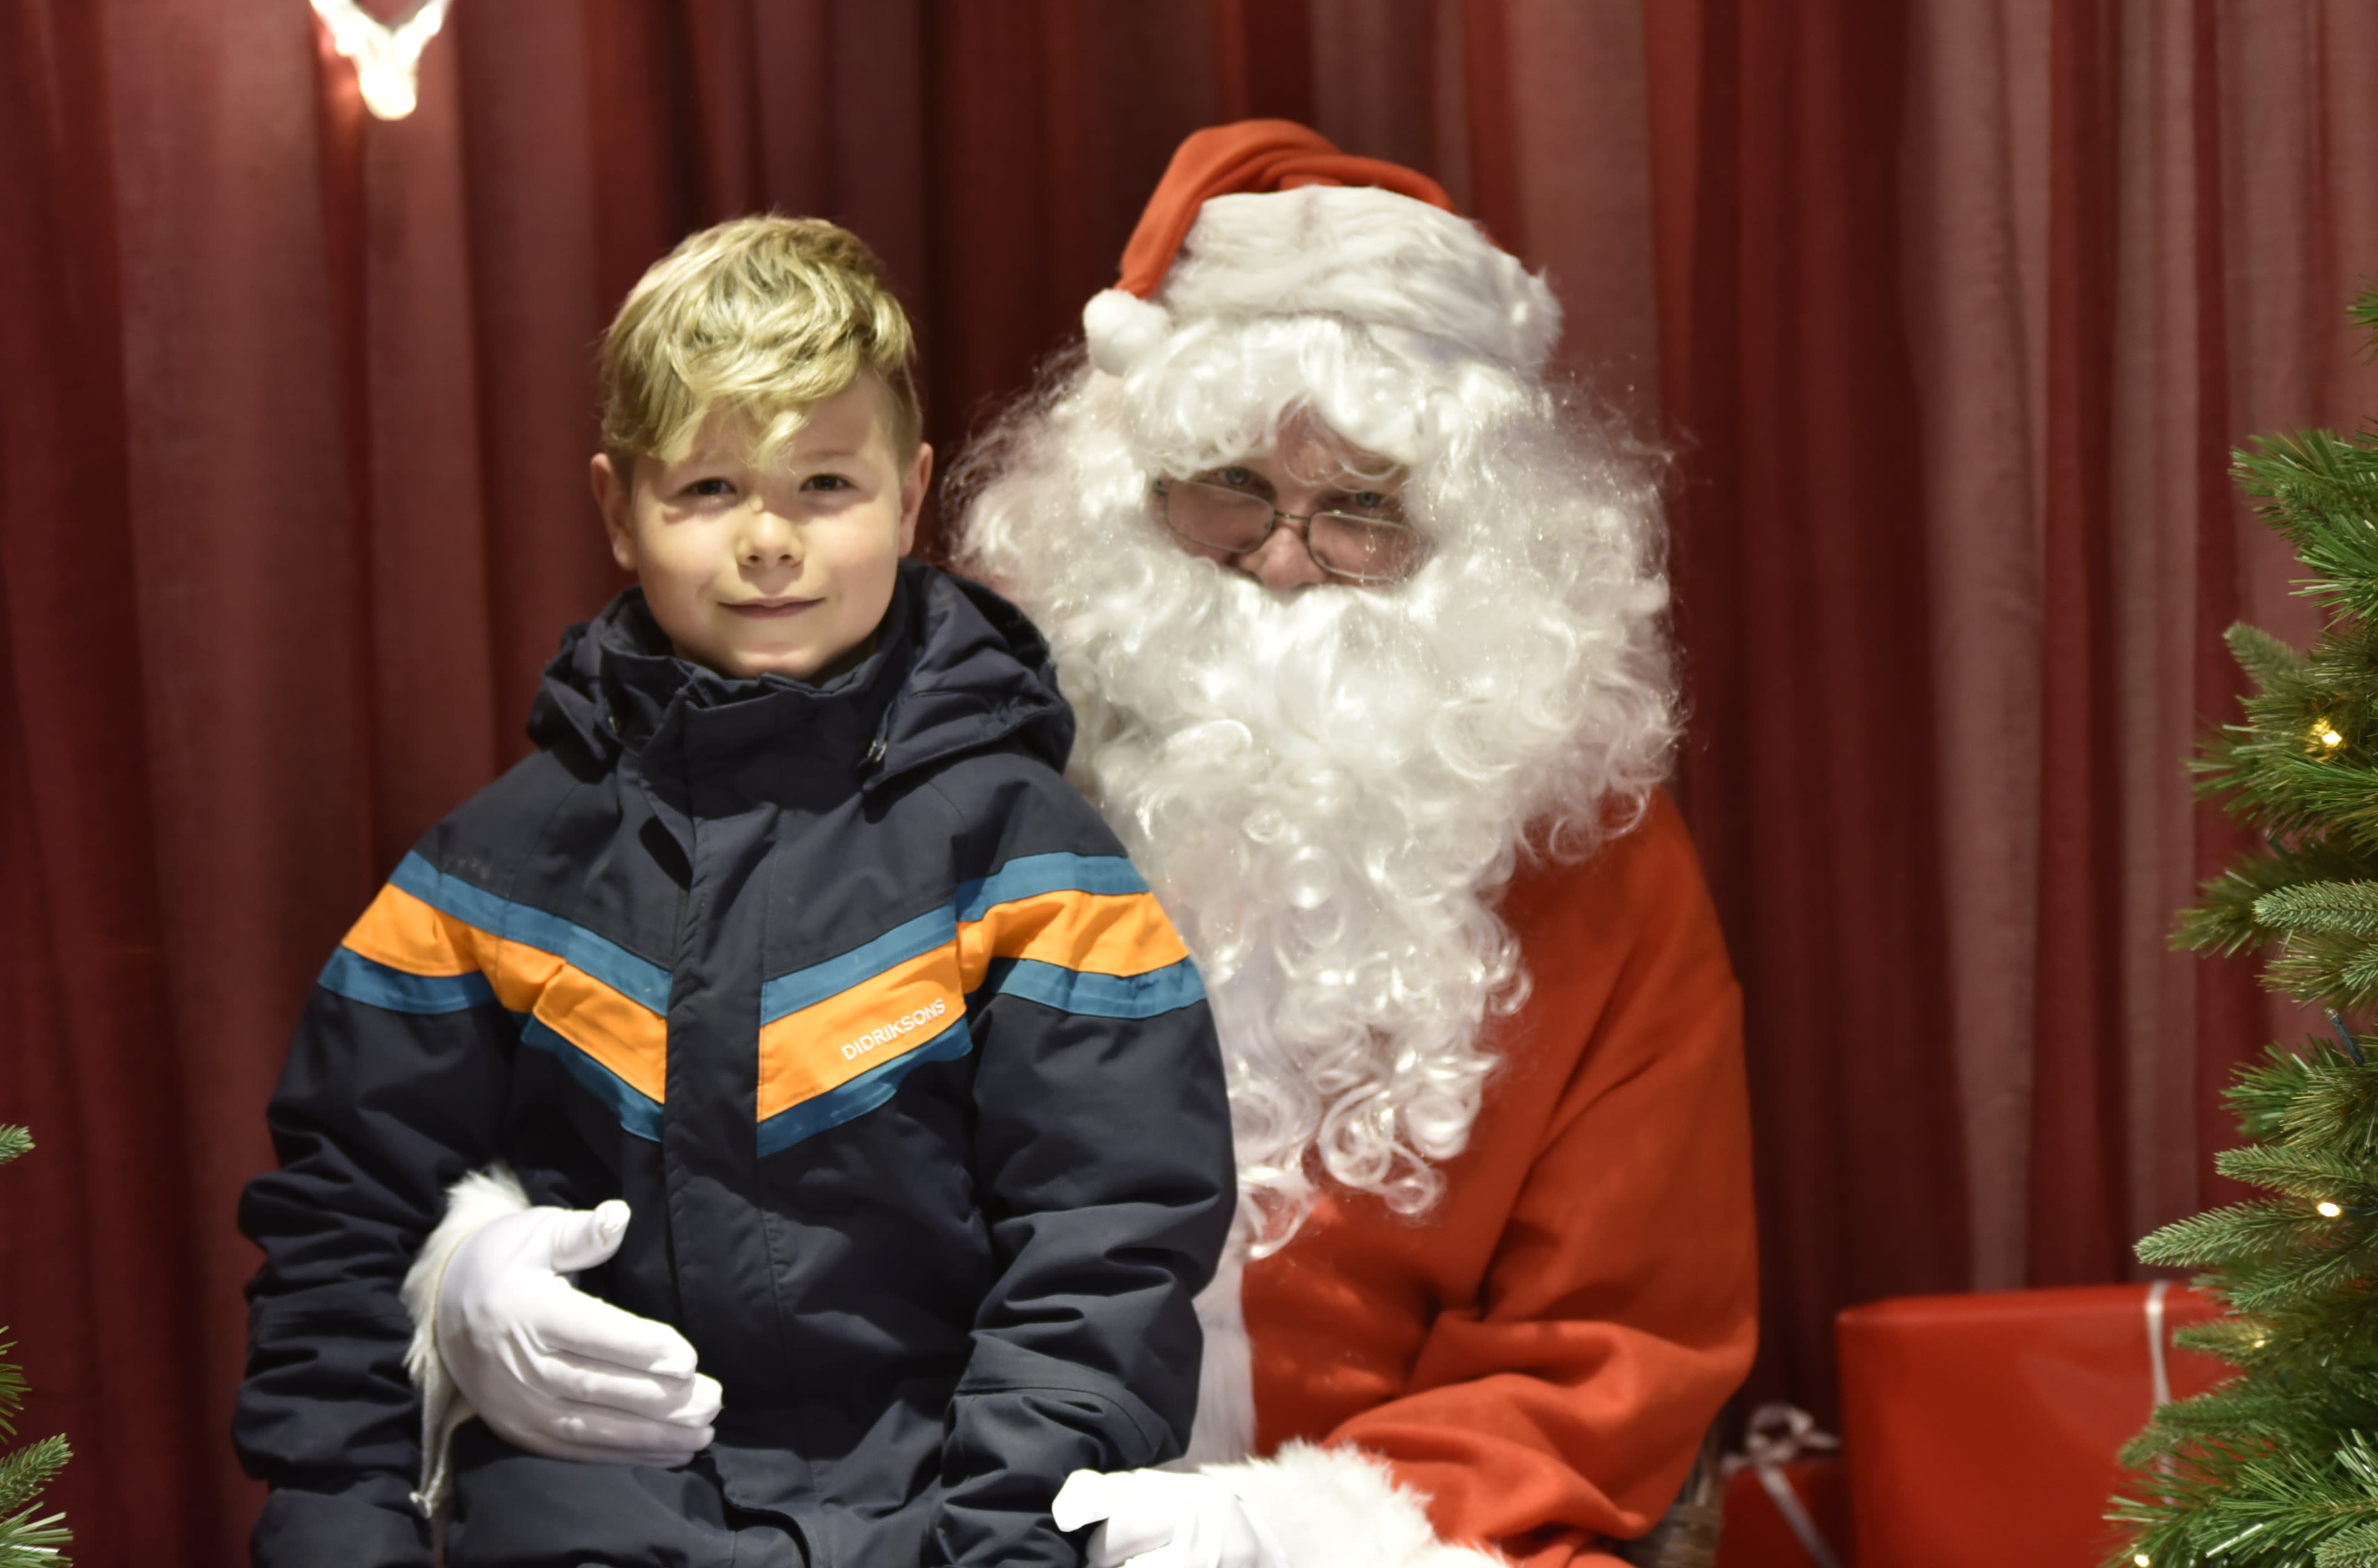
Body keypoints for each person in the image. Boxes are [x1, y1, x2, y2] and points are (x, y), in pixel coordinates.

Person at [417, 126, 1759, 1568]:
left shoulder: (1596, 857)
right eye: (1227, 487)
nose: (1282, 560)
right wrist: (485, 1264)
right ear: (1123, 497)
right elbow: (653, 1111)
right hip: (935, 1504)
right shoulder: (929, 769)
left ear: (1471, 537)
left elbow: (1615, 1341)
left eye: (1363, 509)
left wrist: (1277, 1531)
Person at [232, 216, 1240, 1568]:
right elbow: (344, 1221)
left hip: (936, 1522)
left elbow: (1106, 1247)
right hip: (579, 1523)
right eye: (709, 488)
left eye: (825, 483)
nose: (769, 540)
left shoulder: (1033, 865)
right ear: (617, 508)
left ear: (910, 495)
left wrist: (1011, 1546)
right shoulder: (491, 871)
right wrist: (346, 1539)